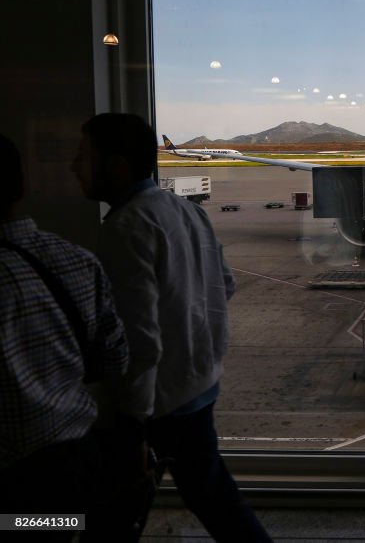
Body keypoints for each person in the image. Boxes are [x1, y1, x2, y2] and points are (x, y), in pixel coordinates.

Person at [70, 114, 272, 543]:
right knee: (211, 497)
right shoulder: (183, 209)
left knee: (104, 515)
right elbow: (226, 284)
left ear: (117, 165)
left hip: (154, 407)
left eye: (84, 156)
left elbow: (137, 342)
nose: (73, 166)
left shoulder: (124, 229)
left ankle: (17, 526)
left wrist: (129, 425)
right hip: (198, 387)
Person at [0, 133, 128, 541]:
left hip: (11, 479)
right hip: (70, 463)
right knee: (59, 528)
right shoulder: (78, 260)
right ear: (21, 187)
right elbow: (114, 361)